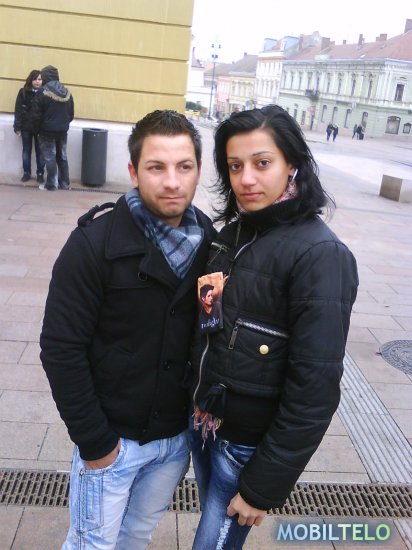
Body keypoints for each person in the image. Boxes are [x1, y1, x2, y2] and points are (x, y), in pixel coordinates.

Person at [40, 109, 215, 549]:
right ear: (134, 172)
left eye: (184, 167)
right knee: (92, 544)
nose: (172, 182)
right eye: (157, 167)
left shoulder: (209, 241)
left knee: (136, 537)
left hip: (173, 443)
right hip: (112, 442)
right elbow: (61, 348)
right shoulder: (93, 245)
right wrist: (96, 443)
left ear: (198, 170)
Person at [189, 105, 358, 549]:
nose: (246, 179)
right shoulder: (232, 235)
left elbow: (315, 388)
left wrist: (262, 486)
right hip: (207, 427)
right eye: (235, 166)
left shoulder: (320, 255)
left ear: (292, 165)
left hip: (245, 450)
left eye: (262, 163)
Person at [31, 65, 74, 191]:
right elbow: (71, 114)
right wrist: (64, 124)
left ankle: (51, 184)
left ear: (45, 77)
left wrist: (36, 130)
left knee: (50, 157)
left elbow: (36, 114)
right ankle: (65, 183)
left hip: (46, 131)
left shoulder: (42, 92)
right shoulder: (67, 92)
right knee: (62, 157)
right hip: (63, 130)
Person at [13, 69, 45, 183]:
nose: (37, 81)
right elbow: (18, 109)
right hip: (26, 127)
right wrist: (17, 127)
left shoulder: (45, 93)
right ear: (30, 80)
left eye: (39, 79)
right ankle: (26, 172)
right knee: (26, 150)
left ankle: (40, 173)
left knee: (40, 152)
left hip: (40, 128)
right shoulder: (23, 92)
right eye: (35, 79)